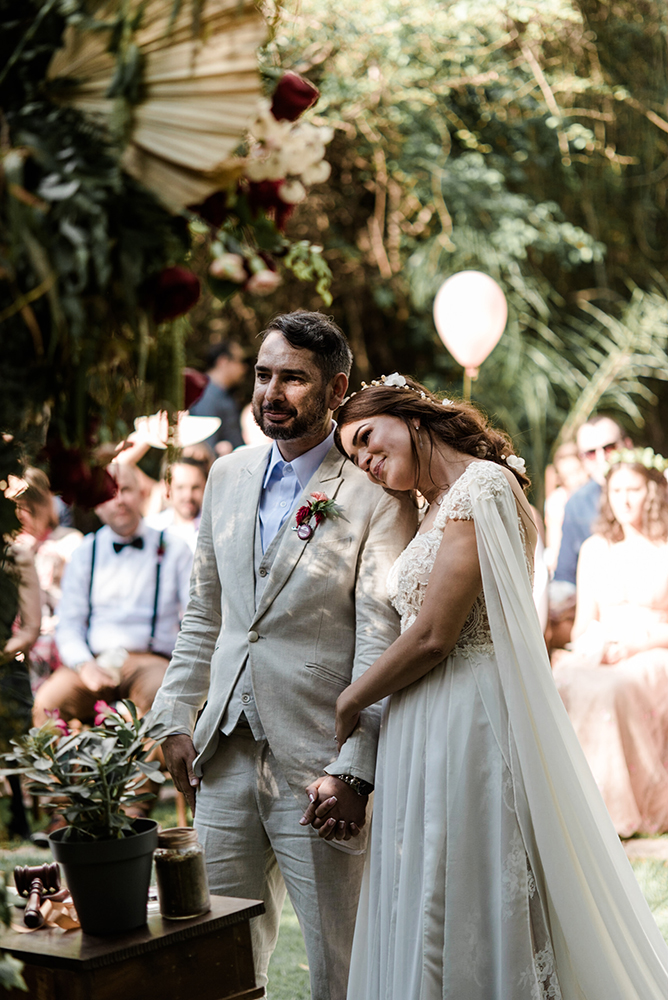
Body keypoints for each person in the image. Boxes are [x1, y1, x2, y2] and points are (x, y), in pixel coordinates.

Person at [328, 375, 668, 1000]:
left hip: (467, 709)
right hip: (421, 717)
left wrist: (352, 699)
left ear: (411, 415)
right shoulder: (432, 506)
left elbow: (434, 633)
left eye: (369, 441)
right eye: (357, 459)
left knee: (467, 877)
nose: (369, 463)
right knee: (430, 880)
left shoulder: (482, 485)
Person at [150, 312, 417, 1000]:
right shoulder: (227, 476)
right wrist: (174, 713)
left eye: (292, 377)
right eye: (264, 374)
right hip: (225, 752)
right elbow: (205, 613)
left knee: (341, 958)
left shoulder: (376, 493)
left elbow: (379, 644)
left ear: (336, 389)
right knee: (214, 955)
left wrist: (354, 770)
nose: (271, 390)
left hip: (319, 765)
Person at [552, 450, 668, 837]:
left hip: (656, 649)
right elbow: (586, 622)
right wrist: (592, 646)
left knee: (615, 689)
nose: (625, 499)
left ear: (652, 492)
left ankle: (618, 811)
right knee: (562, 679)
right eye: (617, 490)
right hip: (606, 646)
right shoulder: (595, 549)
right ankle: (571, 807)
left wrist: (636, 645)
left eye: (634, 489)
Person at [32, 463, 193, 726]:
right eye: (109, 493)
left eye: (126, 490)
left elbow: (194, 616)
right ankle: (68, 768)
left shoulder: (175, 548)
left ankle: (151, 768)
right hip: (95, 661)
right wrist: (83, 665)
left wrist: (183, 667)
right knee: (48, 704)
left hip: (152, 661)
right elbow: (69, 623)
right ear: (97, 505)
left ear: (142, 494)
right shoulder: (85, 552)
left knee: (165, 698)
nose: (119, 500)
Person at [12, 468, 83, 686]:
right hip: (18, 635)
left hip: (56, 630)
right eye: (15, 507)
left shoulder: (68, 542)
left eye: (27, 506)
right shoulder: (11, 547)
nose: (21, 514)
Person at [553, 415, 630, 587]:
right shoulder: (576, 504)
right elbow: (565, 575)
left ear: (627, 445)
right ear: (582, 458)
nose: (602, 458)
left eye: (609, 448)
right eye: (591, 453)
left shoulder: (659, 489)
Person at [0, 540, 40, 839]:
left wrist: (2, 652)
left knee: (11, 693)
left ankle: (17, 811)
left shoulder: (16, 557)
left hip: (4, 658)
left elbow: (29, 629)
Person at [189, 341, 247, 455]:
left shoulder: (221, 393)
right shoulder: (206, 395)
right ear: (223, 361)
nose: (244, 368)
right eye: (240, 361)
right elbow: (205, 445)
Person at [147, 456, 208, 553]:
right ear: (166, 488)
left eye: (195, 487)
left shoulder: (215, 529)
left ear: (205, 486)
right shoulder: (151, 529)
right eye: (180, 487)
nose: (188, 495)